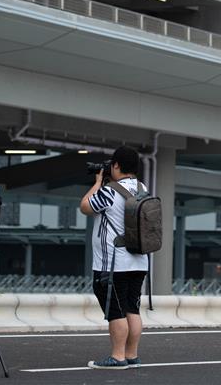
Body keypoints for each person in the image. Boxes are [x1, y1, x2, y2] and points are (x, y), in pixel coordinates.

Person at [80, 146, 148, 370]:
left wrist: (98, 183)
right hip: (139, 261)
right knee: (132, 309)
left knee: (115, 311)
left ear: (116, 165)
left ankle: (117, 357)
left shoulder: (109, 191)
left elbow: (85, 206)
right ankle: (132, 355)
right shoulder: (143, 189)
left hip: (113, 264)